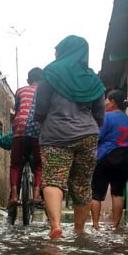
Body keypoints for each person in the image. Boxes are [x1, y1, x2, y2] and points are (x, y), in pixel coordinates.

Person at [34, 35, 105, 239]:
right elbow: (100, 113)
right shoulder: (92, 79)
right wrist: (89, 128)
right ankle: (79, 230)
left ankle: (56, 226)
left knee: (54, 179)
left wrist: (43, 125)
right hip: (88, 134)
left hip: (56, 134)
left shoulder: (51, 73)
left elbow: (40, 107)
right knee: (82, 183)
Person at [90, 90, 128, 229]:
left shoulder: (107, 117)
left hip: (105, 157)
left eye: (106, 101)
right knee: (117, 193)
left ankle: (96, 225)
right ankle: (116, 226)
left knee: (97, 194)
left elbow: (98, 137)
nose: (105, 104)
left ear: (113, 102)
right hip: (124, 159)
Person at [8, 67, 44, 209]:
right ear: (42, 80)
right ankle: (36, 195)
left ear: (28, 80)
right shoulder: (44, 92)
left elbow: (17, 111)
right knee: (38, 165)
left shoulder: (20, 91)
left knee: (16, 164)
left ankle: (14, 195)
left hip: (20, 129)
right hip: (37, 132)